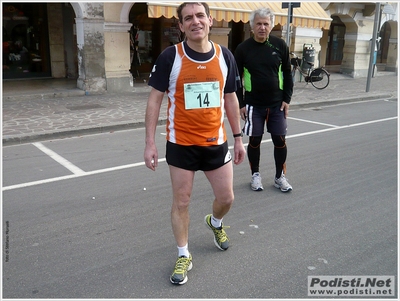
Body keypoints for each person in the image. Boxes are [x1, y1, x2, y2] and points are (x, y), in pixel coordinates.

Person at [143, 2, 246, 285]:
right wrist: (150, 143)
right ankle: (183, 253)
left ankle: (214, 223)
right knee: (182, 202)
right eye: (188, 18)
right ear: (181, 25)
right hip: (181, 144)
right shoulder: (170, 57)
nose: (195, 21)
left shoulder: (225, 56)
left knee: (227, 199)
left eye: (200, 16)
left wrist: (238, 139)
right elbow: (154, 100)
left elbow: (230, 99)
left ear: (210, 20)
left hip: (216, 143)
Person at [234, 7, 293, 192]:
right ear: (252, 26)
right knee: (254, 141)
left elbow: (287, 73)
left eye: (266, 24)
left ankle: (279, 177)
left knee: (280, 141)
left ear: (271, 25)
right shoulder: (243, 49)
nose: (262, 27)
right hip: (253, 105)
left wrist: (287, 99)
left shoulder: (280, 45)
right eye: (258, 24)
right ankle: (255, 175)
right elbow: (236, 79)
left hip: (277, 104)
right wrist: (241, 104)